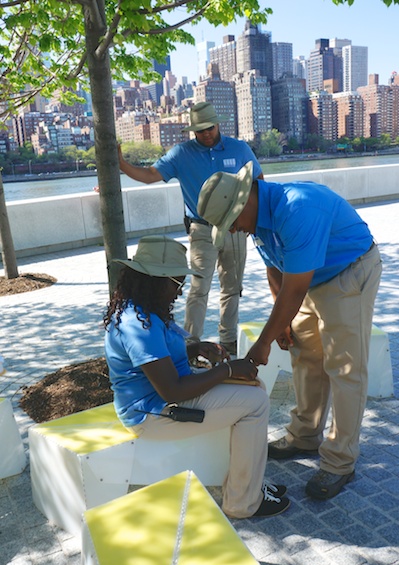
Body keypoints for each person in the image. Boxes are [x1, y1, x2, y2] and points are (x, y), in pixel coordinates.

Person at [197, 162, 382, 500]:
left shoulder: (297, 209)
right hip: (310, 277)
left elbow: (294, 289)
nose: (234, 230)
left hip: (348, 271)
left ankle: (340, 460)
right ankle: (305, 435)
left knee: (344, 367)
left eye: (232, 223)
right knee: (305, 355)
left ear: (244, 203)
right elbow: (275, 268)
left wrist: (263, 343)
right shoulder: (257, 220)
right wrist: (282, 324)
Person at [103, 234, 290, 519]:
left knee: (255, 387)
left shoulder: (143, 310)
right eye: (177, 282)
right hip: (155, 414)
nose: (179, 291)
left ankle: (248, 483)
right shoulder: (137, 325)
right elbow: (172, 390)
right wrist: (226, 370)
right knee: (255, 402)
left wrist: (195, 349)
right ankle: (243, 501)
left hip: (160, 403)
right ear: (156, 280)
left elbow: (158, 360)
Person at [117, 102, 264, 355]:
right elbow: (150, 175)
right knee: (199, 288)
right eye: (199, 130)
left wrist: (257, 223)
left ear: (218, 124)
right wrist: (120, 163)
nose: (206, 134)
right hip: (202, 230)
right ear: (192, 131)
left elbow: (259, 183)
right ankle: (191, 344)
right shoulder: (181, 153)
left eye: (209, 128)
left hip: (236, 228)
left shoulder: (239, 149)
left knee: (233, 287)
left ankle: (228, 340)